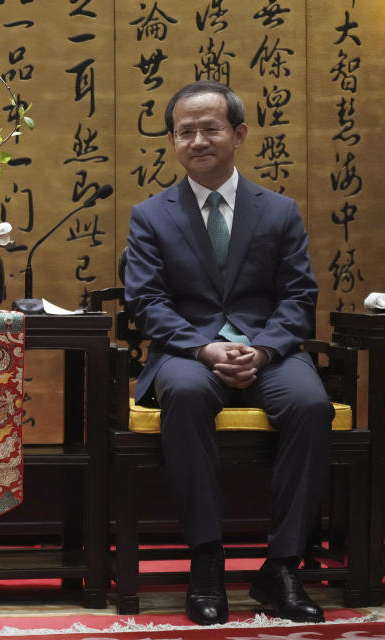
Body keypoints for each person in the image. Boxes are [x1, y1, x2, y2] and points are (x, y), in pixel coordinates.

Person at [123, 81, 331, 625]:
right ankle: (206, 560)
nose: (197, 140)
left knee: (311, 405)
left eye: (210, 128)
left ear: (238, 134)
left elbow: (299, 297)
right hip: (187, 353)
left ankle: (281, 567)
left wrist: (260, 352)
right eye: (185, 131)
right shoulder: (151, 215)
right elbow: (146, 301)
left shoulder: (279, 211)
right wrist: (205, 347)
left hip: (270, 352)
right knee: (187, 396)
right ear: (172, 141)